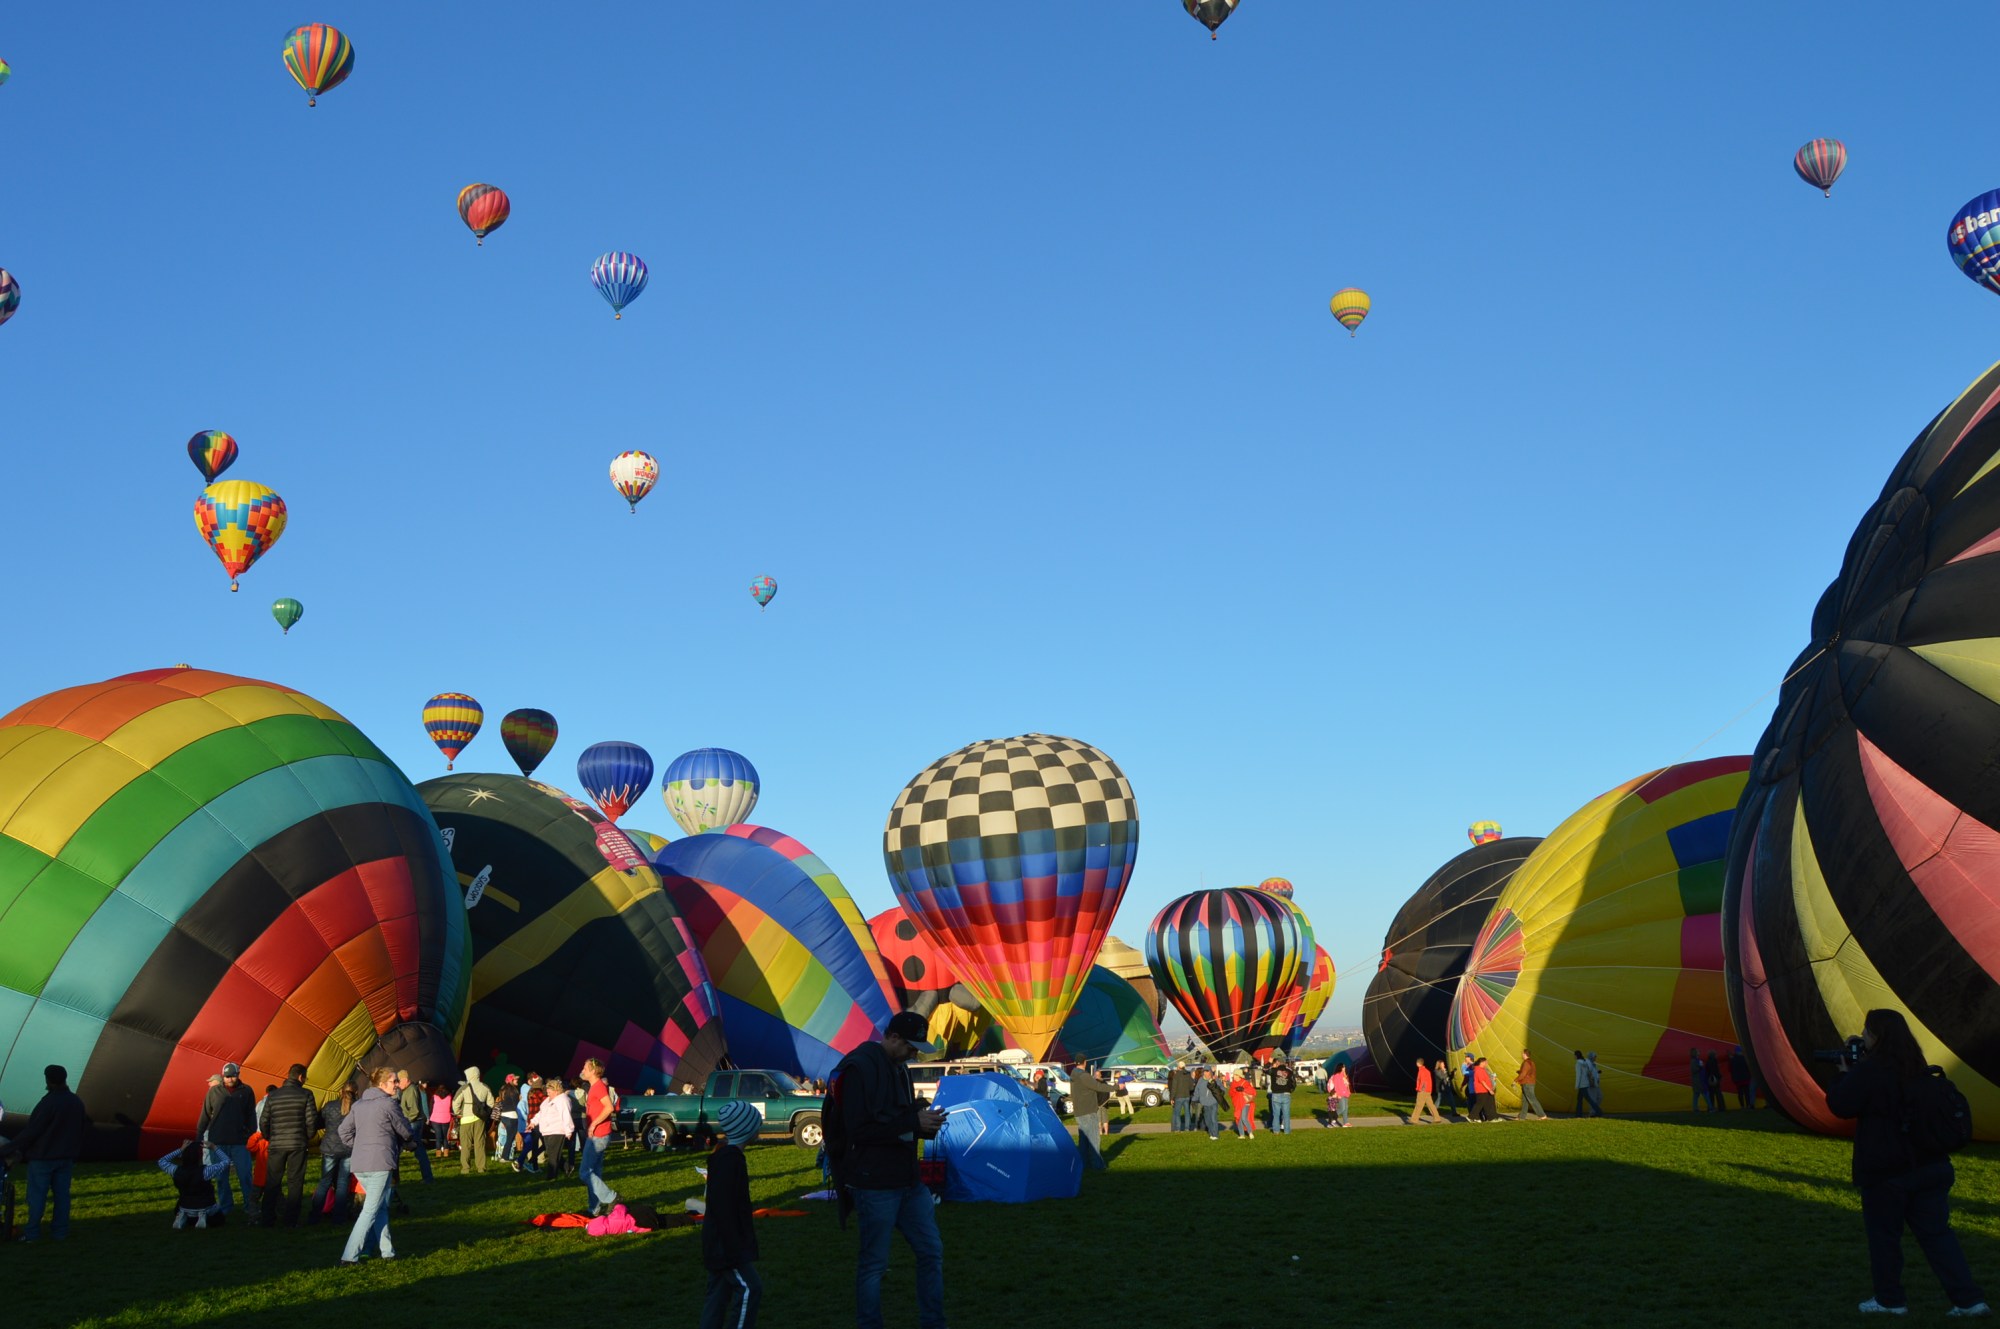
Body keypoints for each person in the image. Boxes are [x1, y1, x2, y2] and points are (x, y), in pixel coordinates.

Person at [1826, 1009, 1989, 1317]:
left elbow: (1840, 1104)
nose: (1864, 1036)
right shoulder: (1917, 1066)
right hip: (1931, 1167)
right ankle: (1970, 1301)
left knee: (1885, 1239)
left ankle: (1890, 1300)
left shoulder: (1871, 1071)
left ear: (1876, 1036)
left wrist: (1844, 1073)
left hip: (1887, 1172)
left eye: (1867, 1032)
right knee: (1938, 1236)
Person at [828, 1011, 947, 1329]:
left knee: (931, 1251)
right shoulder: (858, 1069)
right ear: (893, 1037)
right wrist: (912, 1121)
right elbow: (859, 1131)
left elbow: (896, 1120)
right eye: (910, 1046)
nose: (913, 1054)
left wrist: (923, 1123)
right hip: (874, 1183)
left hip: (908, 1180)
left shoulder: (899, 1069)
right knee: (874, 1264)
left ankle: (934, 1323)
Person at [337, 1066, 414, 1266]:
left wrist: (360, 1147)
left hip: (360, 1164)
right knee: (370, 1210)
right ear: (382, 1084)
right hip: (380, 1163)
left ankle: (388, 1252)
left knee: (379, 1207)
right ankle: (349, 1256)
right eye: (394, 1081)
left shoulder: (359, 1105)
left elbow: (343, 1131)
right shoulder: (389, 1104)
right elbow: (405, 1130)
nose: (397, 1084)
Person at [6, 1064, 87, 1243]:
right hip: (66, 1158)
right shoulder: (76, 1102)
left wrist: (8, 1149)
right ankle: (60, 1233)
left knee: (36, 1197)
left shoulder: (48, 1103)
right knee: (62, 1197)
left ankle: (32, 1234)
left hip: (42, 1158)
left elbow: (32, 1131)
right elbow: (81, 1129)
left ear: (48, 1080)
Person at [701, 1100, 764, 1329]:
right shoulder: (729, 1162)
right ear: (746, 1129)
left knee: (717, 1296)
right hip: (727, 1246)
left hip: (721, 1242)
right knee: (750, 1288)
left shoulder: (728, 1158)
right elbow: (724, 1209)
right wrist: (735, 1246)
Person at [196, 1061, 259, 1221]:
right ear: (223, 1076)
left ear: (238, 1075)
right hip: (218, 1142)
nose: (230, 1079)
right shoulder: (214, 1092)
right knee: (221, 1178)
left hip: (240, 1141)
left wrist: (252, 1134)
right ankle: (225, 1207)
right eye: (227, 1076)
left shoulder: (246, 1091)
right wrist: (199, 1134)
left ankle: (249, 1206)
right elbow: (205, 1113)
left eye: (233, 1076)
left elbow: (251, 1115)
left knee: (245, 1176)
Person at [258, 1063, 317, 1227]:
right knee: (295, 1182)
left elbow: (264, 1121)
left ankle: (267, 1218)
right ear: (301, 1077)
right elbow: (311, 1121)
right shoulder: (306, 1094)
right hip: (297, 1144)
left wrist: (270, 1137)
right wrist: (306, 1137)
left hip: (276, 1144)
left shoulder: (273, 1095)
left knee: (272, 1181)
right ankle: (291, 1220)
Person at [308, 1081, 357, 1225]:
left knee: (325, 1182)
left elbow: (318, 1122)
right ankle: (339, 1217)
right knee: (343, 1183)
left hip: (330, 1147)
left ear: (340, 1091)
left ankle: (315, 1216)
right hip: (348, 1148)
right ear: (356, 1092)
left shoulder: (329, 1106)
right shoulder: (357, 1107)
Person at [577, 1058, 621, 1217]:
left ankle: (612, 1197)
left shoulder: (599, 1087)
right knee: (593, 1172)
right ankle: (594, 1209)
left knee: (584, 1172)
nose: (583, 1070)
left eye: (585, 1068)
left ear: (594, 1071)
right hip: (598, 1134)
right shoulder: (594, 1087)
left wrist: (594, 1124)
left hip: (598, 1135)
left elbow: (609, 1107)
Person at [1068, 1063, 1113, 1171]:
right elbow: (1099, 1090)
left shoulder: (1074, 1079)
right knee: (1093, 1138)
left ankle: (1084, 1163)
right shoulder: (1088, 1080)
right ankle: (1096, 1164)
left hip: (1083, 1110)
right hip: (1091, 1109)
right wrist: (1116, 1087)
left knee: (1084, 1138)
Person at [170, 1140, 222, 1229]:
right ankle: (202, 1215)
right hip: (205, 1206)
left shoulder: (175, 1170)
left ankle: (183, 1215)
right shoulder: (206, 1171)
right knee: (218, 1216)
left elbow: (162, 1161)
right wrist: (214, 1148)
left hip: (185, 1206)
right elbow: (226, 1161)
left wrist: (180, 1149)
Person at [452, 1066, 494, 1175]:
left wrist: (458, 1113)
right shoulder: (485, 1087)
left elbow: (455, 1102)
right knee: (480, 1143)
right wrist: (485, 1113)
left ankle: (465, 1169)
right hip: (480, 1119)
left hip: (466, 1119)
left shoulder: (464, 1087)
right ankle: (481, 1168)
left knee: (465, 1145)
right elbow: (491, 1103)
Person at [534, 1077, 576, 1180]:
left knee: (553, 1155)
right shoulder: (547, 1100)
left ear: (556, 1090)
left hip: (557, 1130)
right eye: (547, 1089)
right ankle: (567, 1168)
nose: (547, 1092)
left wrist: (568, 1131)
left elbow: (566, 1115)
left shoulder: (563, 1100)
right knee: (553, 1153)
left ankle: (551, 1177)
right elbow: (541, 1113)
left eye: (550, 1090)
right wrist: (533, 1122)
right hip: (546, 1131)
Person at [395, 1071, 433, 1184]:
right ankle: (427, 1177)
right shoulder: (407, 1090)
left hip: (414, 1123)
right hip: (414, 1122)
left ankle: (428, 1177)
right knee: (418, 1150)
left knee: (419, 1151)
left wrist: (405, 1123)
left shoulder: (411, 1090)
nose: (398, 1084)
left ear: (405, 1079)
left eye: (399, 1081)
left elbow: (414, 1111)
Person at [493, 1075, 520, 1164]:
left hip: (504, 1115)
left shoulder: (503, 1089)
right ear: (511, 1080)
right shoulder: (513, 1091)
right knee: (510, 1138)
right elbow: (516, 1105)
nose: (517, 1080)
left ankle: (504, 1156)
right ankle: (504, 1157)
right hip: (512, 1116)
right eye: (515, 1079)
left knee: (509, 1137)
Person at [1516, 1053, 1548, 1121]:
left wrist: (1516, 1080)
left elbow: (1523, 1073)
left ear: (1525, 1054)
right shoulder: (1532, 1062)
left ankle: (1542, 1115)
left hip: (1527, 1083)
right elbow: (1529, 1072)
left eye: (1522, 1054)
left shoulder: (1526, 1063)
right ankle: (1522, 1117)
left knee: (1532, 1099)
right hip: (1530, 1082)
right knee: (1525, 1100)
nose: (1521, 1055)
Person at [1410, 1060, 1444, 1125]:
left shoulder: (1421, 1071)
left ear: (1417, 1063)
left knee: (1419, 1105)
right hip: (1428, 1090)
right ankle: (1437, 1118)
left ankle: (1414, 1120)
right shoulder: (1427, 1071)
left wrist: (1420, 1089)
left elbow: (1423, 1081)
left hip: (1423, 1091)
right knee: (1431, 1105)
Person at [1268, 1059, 1297, 1134]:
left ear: (1278, 1064)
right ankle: (1287, 1130)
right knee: (1286, 1114)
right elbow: (1294, 1082)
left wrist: (1269, 1063)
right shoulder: (1289, 1071)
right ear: (1285, 1064)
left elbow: (1265, 1070)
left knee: (1276, 1114)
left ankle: (1276, 1130)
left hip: (1276, 1093)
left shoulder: (1274, 1070)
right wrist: (1290, 1090)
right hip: (1286, 1093)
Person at [1191, 1069, 1221, 1141]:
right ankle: (1211, 1133)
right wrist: (1194, 1099)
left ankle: (1215, 1134)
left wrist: (1218, 1094)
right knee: (1207, 1120)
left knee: (1213, 1118)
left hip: (1213, 1102)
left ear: (1210, 1072)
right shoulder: (1201, 1080)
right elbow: (1197, 1090)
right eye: (1205, 1072)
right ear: (1203, 1072)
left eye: (1208, 1072)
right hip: (1205, 1103)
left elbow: (1222, 1090)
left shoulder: (1215, 1079)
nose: (1207, 1073)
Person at [1228, 1070, 1257, 1139]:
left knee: (1244, 1118)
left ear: (1239, 1076)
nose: (1234, 1076)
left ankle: (1250, 1132)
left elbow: (1253, 1091)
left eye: (1235, 1075)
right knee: (1239, 1119)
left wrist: (1243, 1089)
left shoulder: (1245, 1082)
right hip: (1237, 1103)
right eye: (1234, 1075)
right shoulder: (1233, 1083)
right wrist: (1235, 1090)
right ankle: (1242, 1135)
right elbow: (1230, 1093)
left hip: (1245, 1103)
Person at [1471, 1057, 1498, 1123]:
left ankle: (1491, 1118)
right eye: (1486, 1062)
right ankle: (1472, 1116)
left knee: (1487, 1104)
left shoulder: (1482, 1069)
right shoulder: (1479, 1070)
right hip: (1482, 1090)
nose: (1486, 1063)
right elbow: (1482, 1081)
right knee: (1479, 1104)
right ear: (1482, 1062)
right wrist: (1489, 1089)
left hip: (1485, 1089)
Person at [1168, 1063, 1194, 1133]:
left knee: (1177, 1113)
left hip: (1178, 1096)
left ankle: (1178, 1128)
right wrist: (1187, 1090)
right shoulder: (1188, 1074)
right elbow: (1192, 1086)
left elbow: (1174, 1088)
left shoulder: (1176, 1075)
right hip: (1187, 1096)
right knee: (1187, 1113)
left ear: (1179, 1067)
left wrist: (1172, 1098)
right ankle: (1187, 1128)